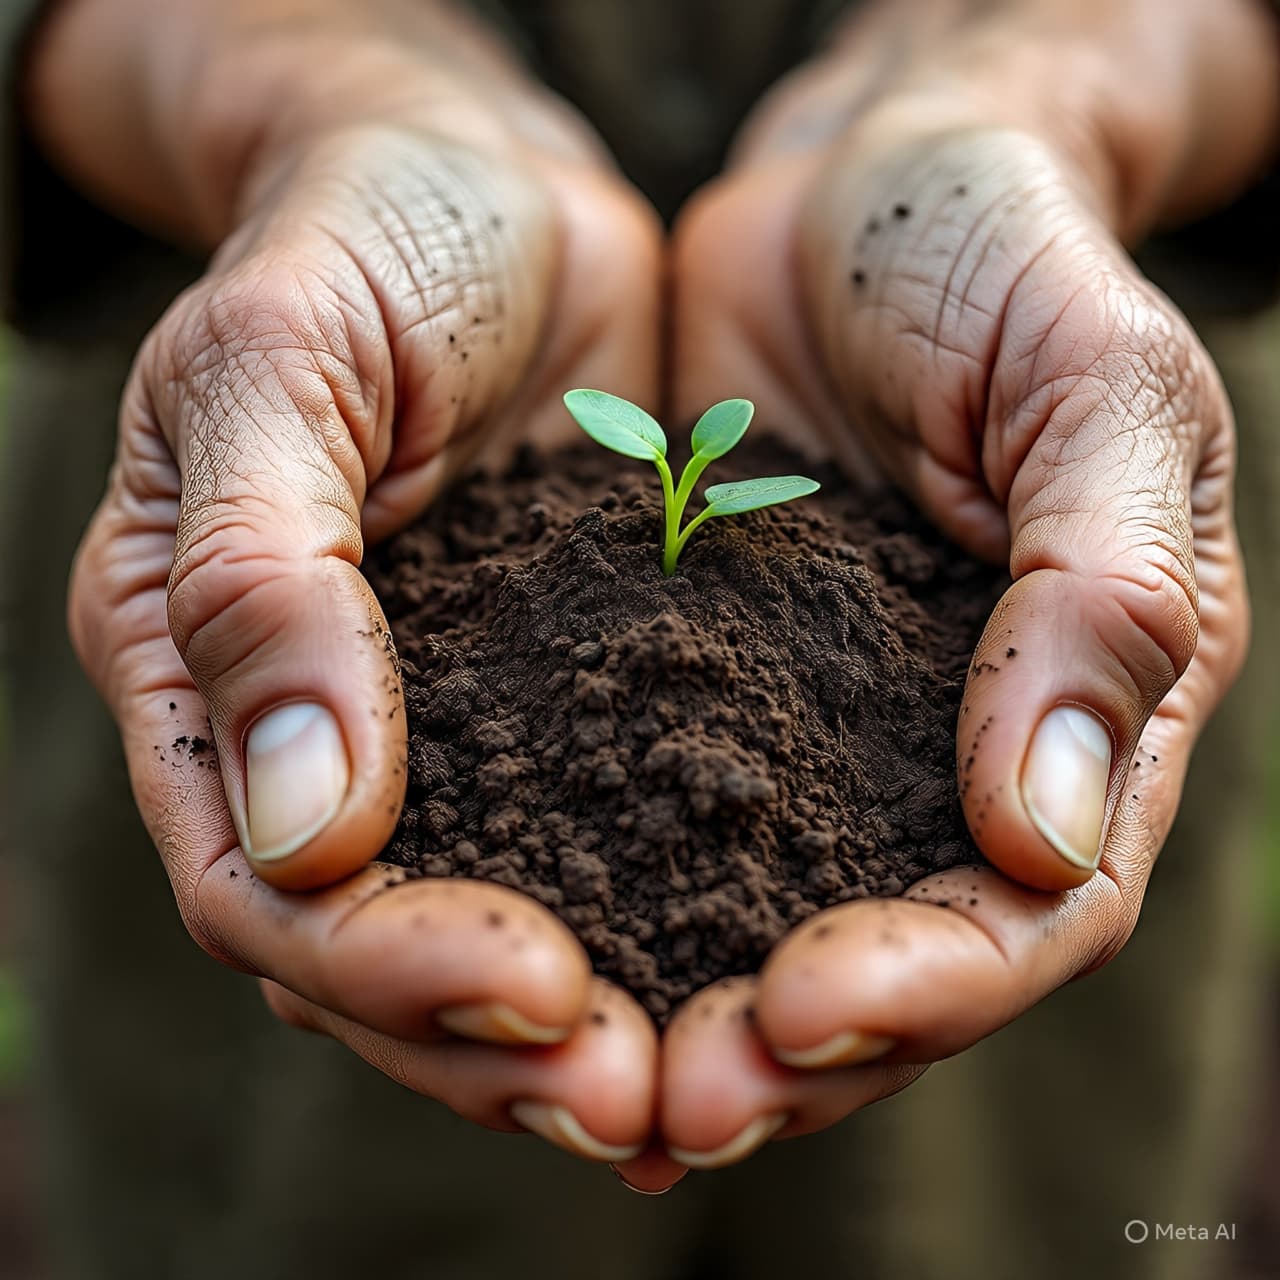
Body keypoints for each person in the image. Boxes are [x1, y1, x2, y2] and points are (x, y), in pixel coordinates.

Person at [2, 0, 1277, 1274]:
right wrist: (313, 100)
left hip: (1019, 489)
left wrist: (1050, 90)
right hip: (307, 461)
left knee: (1002, 1214)